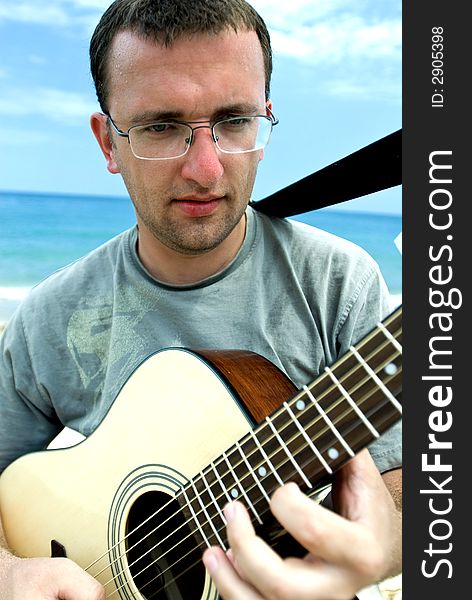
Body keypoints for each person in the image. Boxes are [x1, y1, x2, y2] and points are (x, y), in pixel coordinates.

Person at [0, 0, 402, 598]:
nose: (206, 168)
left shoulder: (339, 285)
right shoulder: (51, 316)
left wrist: (381, 547)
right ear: (108, 142)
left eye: (236, 121)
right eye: (161, 127)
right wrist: (11, 571)